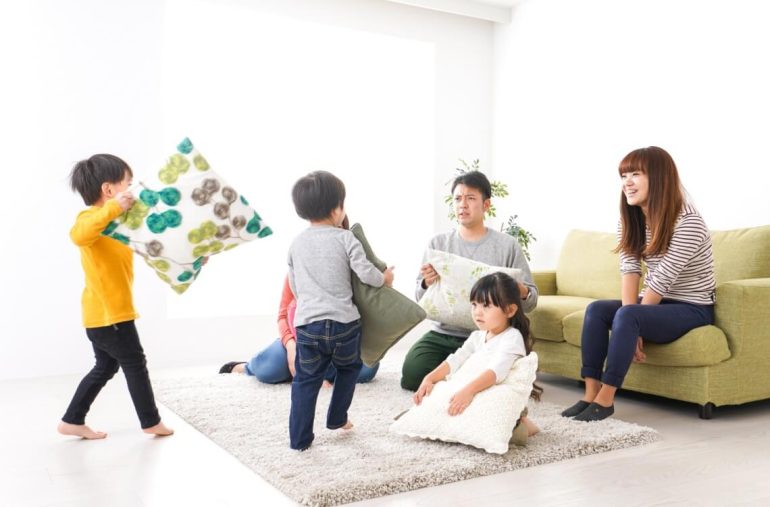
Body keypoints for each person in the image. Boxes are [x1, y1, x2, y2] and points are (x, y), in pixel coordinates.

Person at [562, 146, 716, 422]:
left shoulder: (688, 222)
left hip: (692, 308)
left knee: (629, 314)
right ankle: (590, 394)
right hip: (655, 304)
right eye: (623, 176)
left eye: (635, 174)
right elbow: (630, 270)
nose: (627, 183)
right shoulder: (630, 219)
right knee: (597, 310)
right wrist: (632, 319)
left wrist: (635, 323)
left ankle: (606, 399)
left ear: (659, 177)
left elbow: (662, 279)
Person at [58, 154, 173, 439]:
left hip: (105, 315)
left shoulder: (118, 226)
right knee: (135, 364)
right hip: (109, 316)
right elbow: (78, 235)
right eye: (128, 184)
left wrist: (191, 261)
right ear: (109, 190)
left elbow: (154, 248)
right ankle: (150, 421)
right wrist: (113, 208)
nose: (131, 190)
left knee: (106, 366)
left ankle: (72, 420)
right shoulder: (90, 219)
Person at [401, 170, 538, 391]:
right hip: (444, 333)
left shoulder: (507, 246)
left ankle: (465, 380)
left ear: (486, 205)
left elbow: (531, 302)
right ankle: (462, 378)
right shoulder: (438, 244)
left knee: (495, 375)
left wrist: (520, 290)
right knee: (412, 375)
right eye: (457, 199)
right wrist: (426, 283)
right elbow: (420, 297)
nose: (462, 205)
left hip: (492, 336)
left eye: (470, 198)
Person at [287, 170, 394, 450]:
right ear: (337, 209)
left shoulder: (296, 244)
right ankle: (337, 418)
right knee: (349, 368)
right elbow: (366, 274)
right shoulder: (345, 239)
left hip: (308, 325)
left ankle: (299, 439)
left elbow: (295, 287)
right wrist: (384, 278)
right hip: (344, 324)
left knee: (305, 381)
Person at [414, 272, 541, 443]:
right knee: (441, 390)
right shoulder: (477, 336)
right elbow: (456, 360)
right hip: (477, 387)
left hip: (496, 393)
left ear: (510, 310)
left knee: (500, 431)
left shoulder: (512, 337)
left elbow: (496, 372)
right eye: (474, 304)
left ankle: (521, 424)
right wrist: (429, 378)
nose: (477, 312)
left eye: (486, 306)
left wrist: (468, 391)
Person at [218, 276, 380, 384]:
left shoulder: (352, 269)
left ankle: (316, 373)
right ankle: (246, 367)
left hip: (340, 342)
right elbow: (283, 316)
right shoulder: (297, 269)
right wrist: (291, 347)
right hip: (300, 341)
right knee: (270, 369)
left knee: (367, 369)